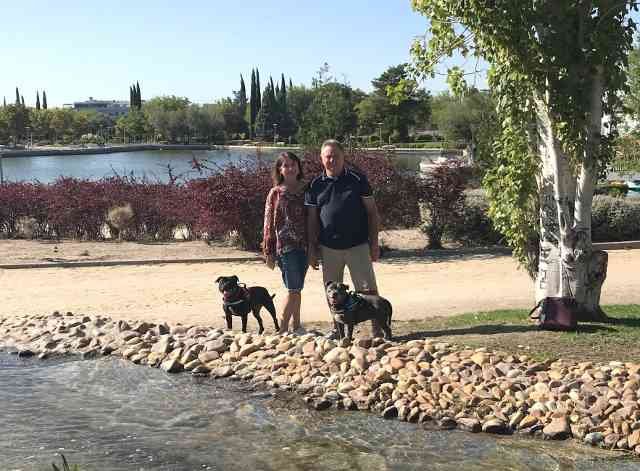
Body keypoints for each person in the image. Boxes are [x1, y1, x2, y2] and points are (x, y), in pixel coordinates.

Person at [305, 139, 383, 339]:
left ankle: (376, 331)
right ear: (321, 159)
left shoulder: (358, 180)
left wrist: (374, 243)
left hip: (357, 245)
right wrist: (312, 249)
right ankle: (339, 331)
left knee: (368, 290)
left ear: (343, 157)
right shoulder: (315, 185)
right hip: (328, 248)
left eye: (335, 156)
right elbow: (312, 220)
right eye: (327, 156)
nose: (332, 160)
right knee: (332, 293)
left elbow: (372, 213)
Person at [262, 151, 308, 335]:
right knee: (293, 288)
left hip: (305, 245)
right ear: (280, 170)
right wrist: (269, 249)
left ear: (298, 167)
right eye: (286, 165)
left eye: (293, 165)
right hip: (285, 247)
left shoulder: (308, 188)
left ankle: (297, 327)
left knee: (297, 288)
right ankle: (281, 329)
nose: (290, 168)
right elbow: (267, 222)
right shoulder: (276, 193)